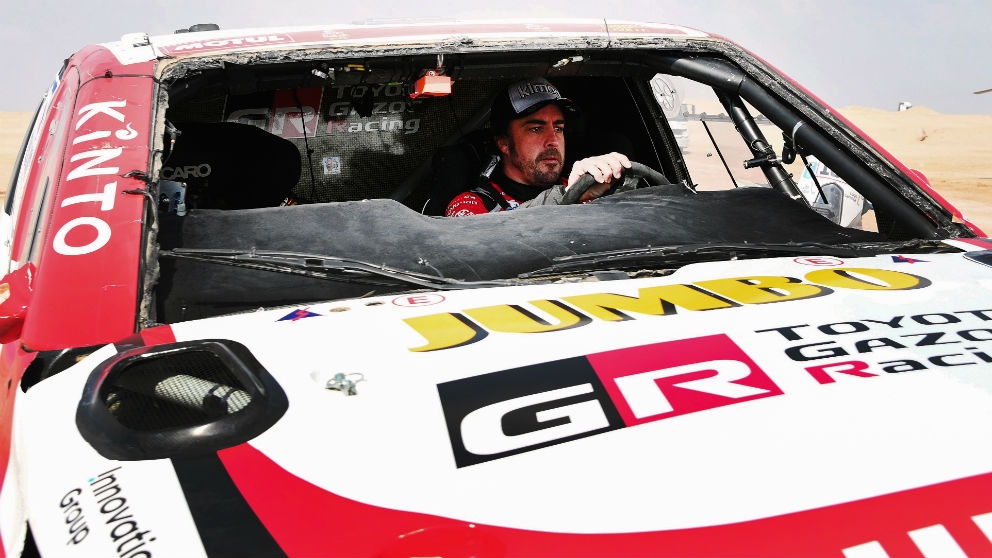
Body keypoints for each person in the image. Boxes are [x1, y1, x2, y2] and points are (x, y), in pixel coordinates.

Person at [445, 77, 631, 217]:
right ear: (504, 143)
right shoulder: (471, 206)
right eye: (535, 129)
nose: (553, 140)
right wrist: (566, 197)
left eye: (558, 128)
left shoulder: (586, 188)